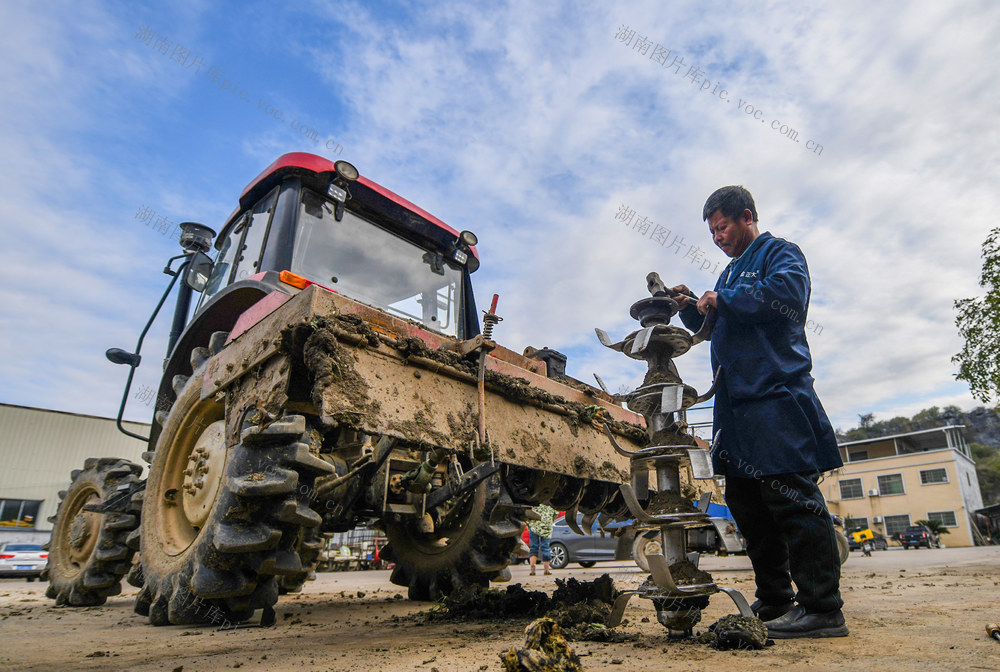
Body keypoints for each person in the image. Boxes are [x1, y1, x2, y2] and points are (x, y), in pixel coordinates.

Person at [672, 185, 847, 639]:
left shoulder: (779, 254)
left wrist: (722, 299)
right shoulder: (730, 274)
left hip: (775, 396)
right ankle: (775, 599)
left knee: (792, 500)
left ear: (747, 216)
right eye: (711, 231)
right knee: (748, 506)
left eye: (723, 226)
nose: (717, 237)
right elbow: (716, 326)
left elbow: (788, 297)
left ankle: (822, 608)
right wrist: (694, 309)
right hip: (736, 406)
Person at [527, 504, 557, 576]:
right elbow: (555, 514)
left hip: (534, 526)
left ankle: (532, 570)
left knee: (533, 547)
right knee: (546, 547)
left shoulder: (535, 502)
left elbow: (528, 514)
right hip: (547, 528)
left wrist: (529, 524)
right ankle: (546, 570)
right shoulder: (551, 504)